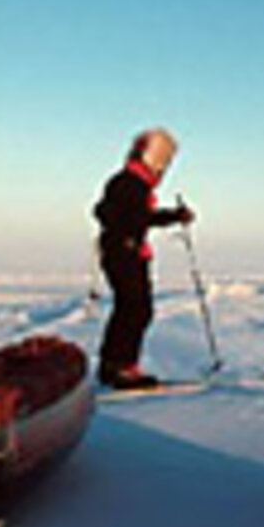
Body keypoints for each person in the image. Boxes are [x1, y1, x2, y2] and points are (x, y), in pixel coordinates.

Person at [93, 127, 193, 390]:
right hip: (125, 253)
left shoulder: (129, 182)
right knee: (136, 310)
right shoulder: (131, 184)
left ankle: (112, 366)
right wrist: (170, 217)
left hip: (122, 251)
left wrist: (171, 216)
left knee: (128, 309)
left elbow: (124, 214)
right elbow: (115, 214)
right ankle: (123, 369)